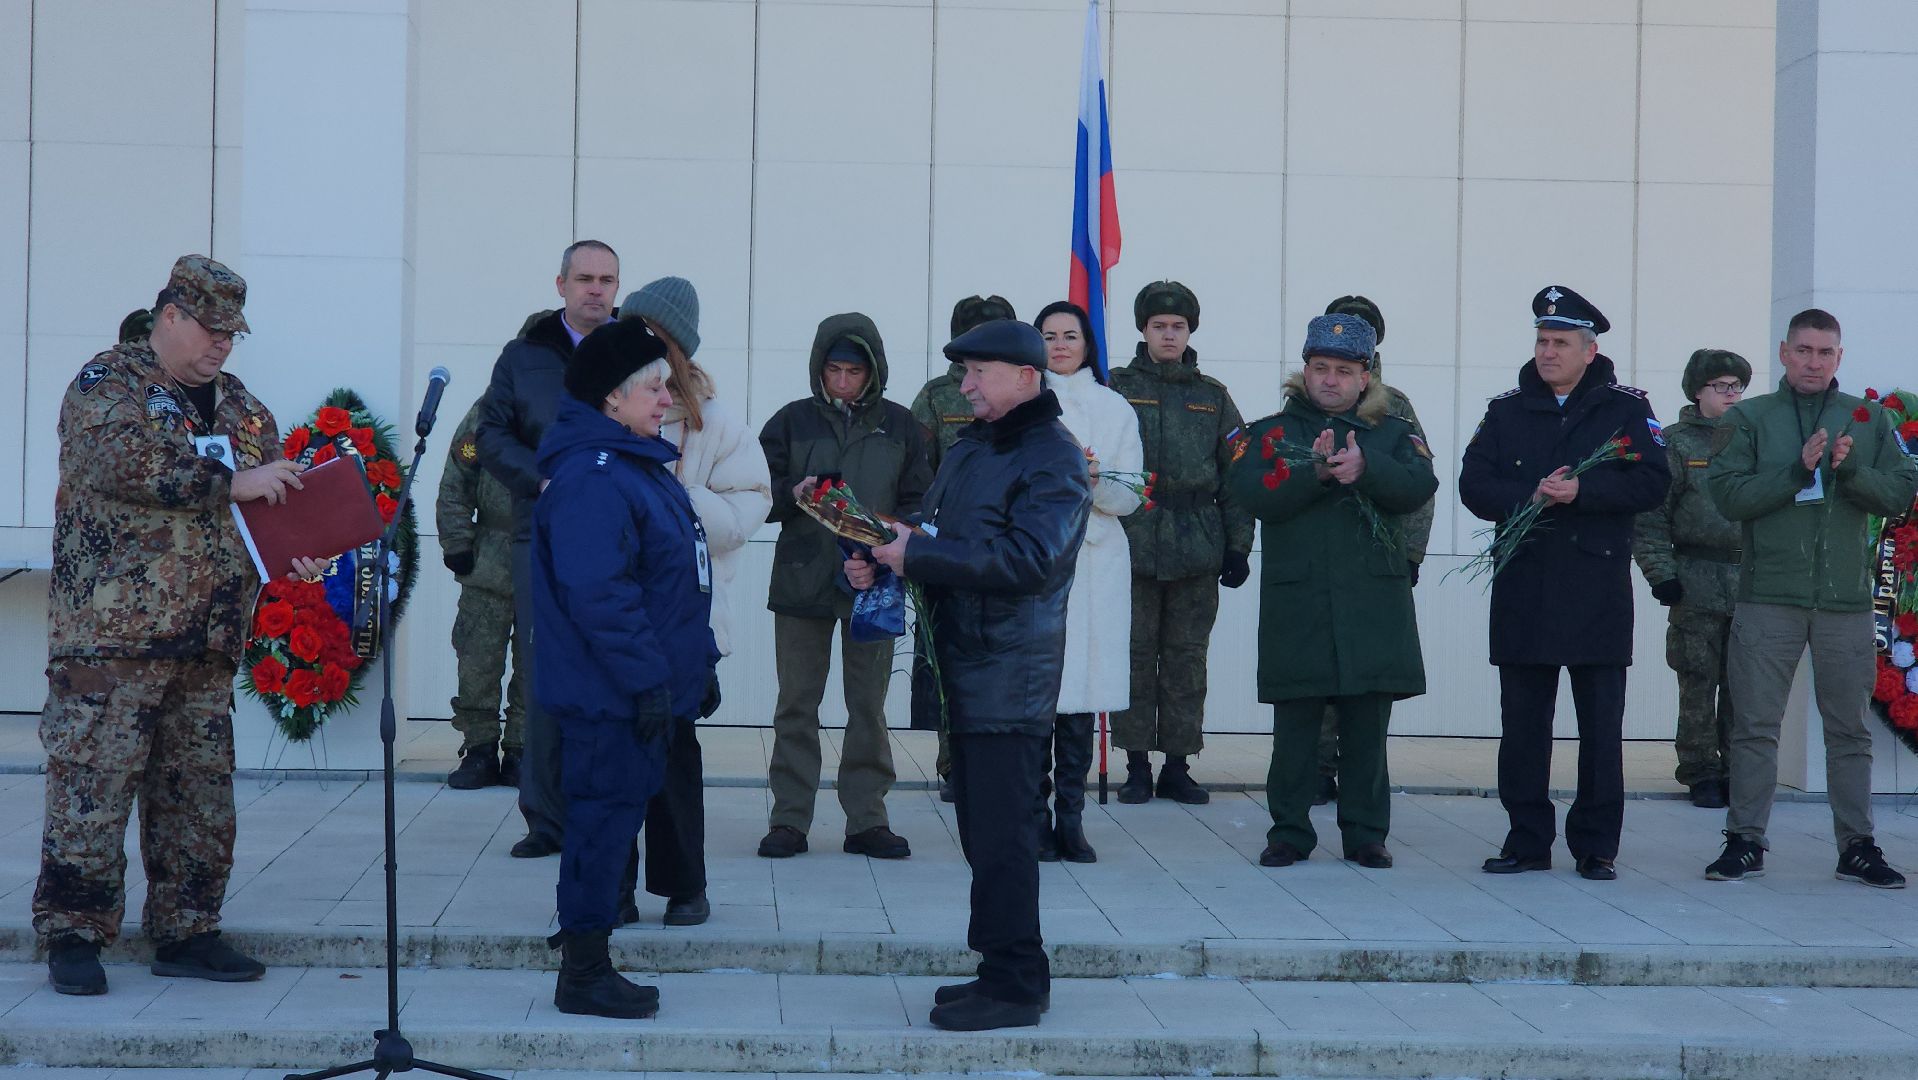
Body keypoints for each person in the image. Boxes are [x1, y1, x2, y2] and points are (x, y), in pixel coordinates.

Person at [36, 255, 315, 995]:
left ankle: (188, 929)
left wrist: (297, 549)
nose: (223, 344)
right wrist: (233, 482)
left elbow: (271, 494)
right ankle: (74, 933)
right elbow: (122, 463)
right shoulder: (110, 385)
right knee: (92, 788)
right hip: (113, 639)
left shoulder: (245, 409)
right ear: (170, 317)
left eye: (233, 333)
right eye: (211, 328)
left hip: (207, 639)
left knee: (197, 794)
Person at [846, 318, 1090, 1031]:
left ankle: (1016, 985)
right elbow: (934, 529)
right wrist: (879, 548)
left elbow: (1028, 562)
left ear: (1025, 376)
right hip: (963, 665)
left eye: (978, 372)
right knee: (983, 832)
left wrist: (912, 556)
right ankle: (998, 966)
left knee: (1007, 832)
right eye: (964, 373)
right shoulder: (971, 447)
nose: (966, 385)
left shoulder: (1054, 457)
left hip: (1011, 673)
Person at [532, 318, 719, 1018]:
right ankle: (583, 973)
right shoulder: (594, 475)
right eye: (654, 386)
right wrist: (649, 680)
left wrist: (693, 666)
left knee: (611, 827)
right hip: (609, 694)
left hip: (642, 688)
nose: (667, 398)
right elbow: (600, 595)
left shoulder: (635, 462)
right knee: (600, 831)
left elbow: (671, 584)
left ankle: (590, 962)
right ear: (612, 398)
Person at [1458, 285, 1669, 882]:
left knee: (1600, 726)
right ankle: (1527, 839)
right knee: (1523, 723)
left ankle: (1596, 845)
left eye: (1560, 342)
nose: (1547, 352)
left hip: (1595, 586)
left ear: (1589, 348)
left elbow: (1653, 483)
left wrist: (1584, 492)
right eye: (1541, 340)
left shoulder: (1625, 408)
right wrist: (1529, 495)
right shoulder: (1507, 409)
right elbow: (1474, 483)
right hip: (1525, 585)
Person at [1703, 309, 1918, 888]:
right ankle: (1745, 840)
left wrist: (1849, 474)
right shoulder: (1750, 417)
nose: (1813, 362)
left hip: (1844, 602)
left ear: (1839, 358)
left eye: (1825, 352)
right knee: (1754, 725)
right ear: (1783, 352)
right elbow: (1728, 496)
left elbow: (1900, 493)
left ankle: (1858, 846)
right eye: (1803, 350)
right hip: (1768, 597)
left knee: (1847, 730)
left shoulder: (1869, 419)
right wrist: (1797, 472)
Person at [1226, 313, 1436, 869]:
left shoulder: (1392, 431)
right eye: (1321, 368)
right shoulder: (1272, 431)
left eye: (1344, 371)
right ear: (1305, 370)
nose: (1331, 380)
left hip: (1372, 603)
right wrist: (1315, 473)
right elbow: (1250, 491)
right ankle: (1289, 832)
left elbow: (1419, 487)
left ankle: (1366, 833)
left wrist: (1366, 467)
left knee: (1368, 723)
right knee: (1295, 725)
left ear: (1365, 377)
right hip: (1301, 603)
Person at [611, 277, 771, 926]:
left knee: (674, 754)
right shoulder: (608, 404)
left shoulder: (716, 419)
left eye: (655, 333)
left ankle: (684, 886)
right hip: (616, 613)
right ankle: (612, 885)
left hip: (684, 620)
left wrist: (674, 495)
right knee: (610, 756)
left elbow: (748, 510)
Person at [757, 313, 934, 859]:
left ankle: (867, 819)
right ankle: (790, 820)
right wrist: (794, 490)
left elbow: (920, 507)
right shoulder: (789, 421)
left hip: (874, 586)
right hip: (801, 583)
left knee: (868, 704)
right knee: (796, 704)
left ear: (872, 371)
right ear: (818, 368)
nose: (842, 380)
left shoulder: (903, 427)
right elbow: (757, 494)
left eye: (853, 370)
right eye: (833, 369)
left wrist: (883, 556)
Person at [477, 239, 620, 859]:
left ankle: (606, 809)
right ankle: (546, 818)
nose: (596, 289)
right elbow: (490, 433)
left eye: (607, 280)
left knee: (611, 667)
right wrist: (541, 478)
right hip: (542, 532)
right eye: (585, 278)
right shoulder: (523, 355)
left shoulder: (637, 352)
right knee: (544, 674)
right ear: (560, 284)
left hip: (619, 532)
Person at [1106, 281, 1254, 804]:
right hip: (1133, 538)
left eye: (1178, 326)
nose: (1169, 335)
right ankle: (1136, 762)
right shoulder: (1115, 387)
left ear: (1190, 331)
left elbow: (1239, 474)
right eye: (1158, 326)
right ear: (1143, 330)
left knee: (1187, 657)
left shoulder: (1211, 396)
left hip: (1196, 540)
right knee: (1134, 654)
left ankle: (1178, 762)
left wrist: (1239, 545)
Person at [1311, 295, 1436, 808]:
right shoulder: (1310, 398)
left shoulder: (1395, 404)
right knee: (1317, 672)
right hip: (1321, 560)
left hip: (1378, 558)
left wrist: (1411, 555)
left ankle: (1360, 779)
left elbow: (1420, 483)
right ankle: (1318, 769)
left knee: (1367, 676)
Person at [1034, 301, 1142, 863]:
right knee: (1038, 692)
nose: (1059, 345)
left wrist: (1094, 480)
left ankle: (1070, 817)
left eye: (1069, 335)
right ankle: (1032, 816)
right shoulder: (1023, 405)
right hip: (1033, 563)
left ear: (1088, 343)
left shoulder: (1114, 407)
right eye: (1048, 335)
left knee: (1081, 697)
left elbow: (1129, 495)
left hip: (1096, 565)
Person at [1631, 349, 1753, 810]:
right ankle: (1701, 769)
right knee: (1698, 680)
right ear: (1697, 391)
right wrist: (1661, 574)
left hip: (1748, 580)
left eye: (1737, 386)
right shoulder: (1675, 444)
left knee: (1744, 683)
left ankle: (1739, 769)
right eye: (1721, 386)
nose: (1731, 395)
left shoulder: (1752, 439)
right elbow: (1651, 517)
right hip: (1695, 578)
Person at [912, 294, 1018, 802]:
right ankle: (951, 760)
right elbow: (916, 473)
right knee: (943, 656)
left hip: (1000, 548)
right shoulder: (934, 397)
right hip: (944, 547)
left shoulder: (1025, 399)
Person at [436, 397, 525, 790]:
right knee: (477, 657)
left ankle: (523, 750)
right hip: (489, 556)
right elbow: (457, 476)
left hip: (550, 558)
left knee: (537, 663)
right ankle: (480, 749)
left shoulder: (579, 401)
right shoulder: (492, 408)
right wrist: (457, 541)